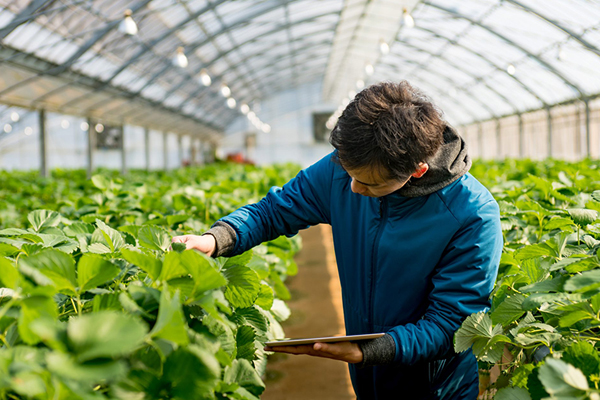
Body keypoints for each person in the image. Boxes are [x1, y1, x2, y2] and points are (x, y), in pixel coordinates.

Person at [172, 81, 503, 400]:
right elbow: (275, 211)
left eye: (369, 183)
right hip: (367, 380)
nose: (354, 189)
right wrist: (218, 239)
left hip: (435, 389)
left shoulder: (472, 215)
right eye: (349, 174)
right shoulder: (342, 170)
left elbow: (451, 325)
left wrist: (374, 349)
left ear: (416, 171)